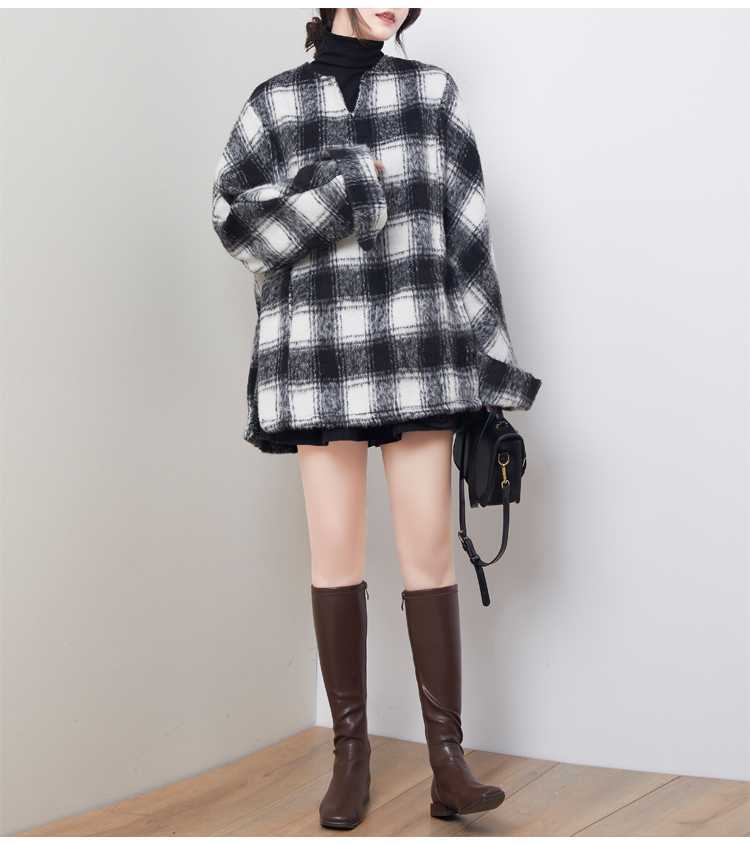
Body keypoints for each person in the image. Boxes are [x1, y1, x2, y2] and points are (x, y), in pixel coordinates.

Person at [210, 7, 541, 830]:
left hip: (421, 348)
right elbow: (236, 224)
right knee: (336, 554)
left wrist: (489, 368)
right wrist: (349, 190)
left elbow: (468, 237)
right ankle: (350, 759)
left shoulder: (432, 94)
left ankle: (447, 764)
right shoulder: (274, 104)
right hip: (316, 355)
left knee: (429, 552)